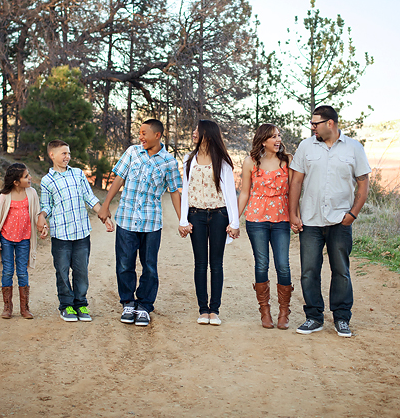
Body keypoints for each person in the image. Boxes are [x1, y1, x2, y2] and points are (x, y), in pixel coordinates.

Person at [289, 105, 371, 337]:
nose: (312, 127)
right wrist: (293, 214)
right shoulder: (306, 147)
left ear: (330, 124)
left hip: (340, 221)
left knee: (341, 271)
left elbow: (363, 185)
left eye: (315, 123)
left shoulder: (354, 148)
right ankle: (313, 317)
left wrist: (352, 214)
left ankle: (341, 318)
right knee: (309, 271)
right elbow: (296, 182)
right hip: (311, 220)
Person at [98, 119, 182, 327]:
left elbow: (174, 191)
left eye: (144, 133)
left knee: (149, 267)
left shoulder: (169, 162)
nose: (141, 137)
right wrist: (105, 205)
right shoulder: (132, 152)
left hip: (151, 222)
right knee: (125, 264)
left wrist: (183, 219)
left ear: (157, 135)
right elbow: (118, 179)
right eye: (139, 133)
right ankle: (128, 302)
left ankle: (144, 306)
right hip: (126, 219)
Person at [37, 140, 114, 323]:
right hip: (61, 234)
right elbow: (47, 204)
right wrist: (42, 217)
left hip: (81, 233)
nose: (67, 157)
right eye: (63, 153)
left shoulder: (78, 174)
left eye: (69, 153)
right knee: (62, 271)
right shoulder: (47, 180)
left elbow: (89, 197)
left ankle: (81, 303)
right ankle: (66, 305)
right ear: (52, 155)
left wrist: (104, 216)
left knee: (81, 271)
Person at [178, 120, 240, 326]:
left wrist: (234, 222)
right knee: (200, 263)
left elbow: (230, 194)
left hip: (218, 215)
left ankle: (215, 310)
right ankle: (203, 309)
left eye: (198, 130)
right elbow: (185, 191)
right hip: (196, 215)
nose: (194, 133)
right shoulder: (189, 159)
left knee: (216, 264)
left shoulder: (222, 162)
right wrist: (183, 219)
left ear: (208, 134)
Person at [237, 123, 294, 329]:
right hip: (256, 219)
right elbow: (244, 192)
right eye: (273, 137)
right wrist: (234, 219)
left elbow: (295, 192)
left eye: (279, 136)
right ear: (263, 141)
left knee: (283, 265)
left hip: (282, 219)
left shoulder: (288, 161)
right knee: (262, 264)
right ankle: (265, 310)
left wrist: (296, 216)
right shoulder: (251, 162)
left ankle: (284, 311)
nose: (278, 140)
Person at [0, 163, 40, 319]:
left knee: (23, 273)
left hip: (24, 239)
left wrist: (42, 226)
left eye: (29, 174)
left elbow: (36, 214)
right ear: (16, 182)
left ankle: (24, 308)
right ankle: (7, 307)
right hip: (7, 240)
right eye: (26, 176)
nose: (30, 177)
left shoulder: (31, 193)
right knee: (8, 271)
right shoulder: (5, 196)